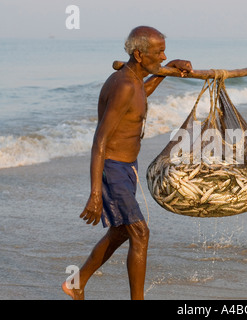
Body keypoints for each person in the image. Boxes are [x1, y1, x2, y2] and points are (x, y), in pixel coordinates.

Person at [62, 26, 193, 299]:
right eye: (158, 52)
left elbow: (141, 94)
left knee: (121, 231)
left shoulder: (134, 81)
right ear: (139, 54)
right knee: (141, 233)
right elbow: (99, 140)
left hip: (127, 167)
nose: (163, 55)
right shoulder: (122, 85)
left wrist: (168, 67)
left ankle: (76, 283)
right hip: (113, 169)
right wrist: (95, 193)